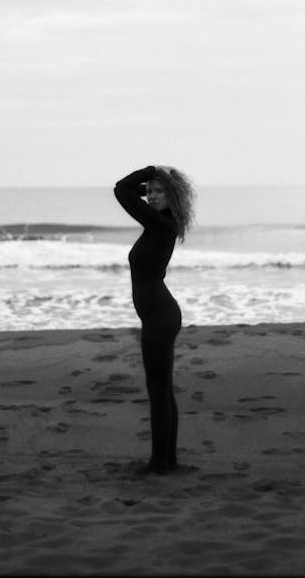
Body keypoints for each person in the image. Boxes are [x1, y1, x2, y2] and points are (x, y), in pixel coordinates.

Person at [113, 165, 195, 475]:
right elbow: (131, 193)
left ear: (173, 196)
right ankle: (167, 461)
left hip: (160, 317)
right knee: (163, 390)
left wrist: (150, 171)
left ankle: (158, 464)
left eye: (159, 192)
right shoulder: (159, 222)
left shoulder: (161, 224)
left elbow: (121, 189)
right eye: (150, 191)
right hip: (160, 314)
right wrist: (155, 184)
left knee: (158, 392)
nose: (151, 196)